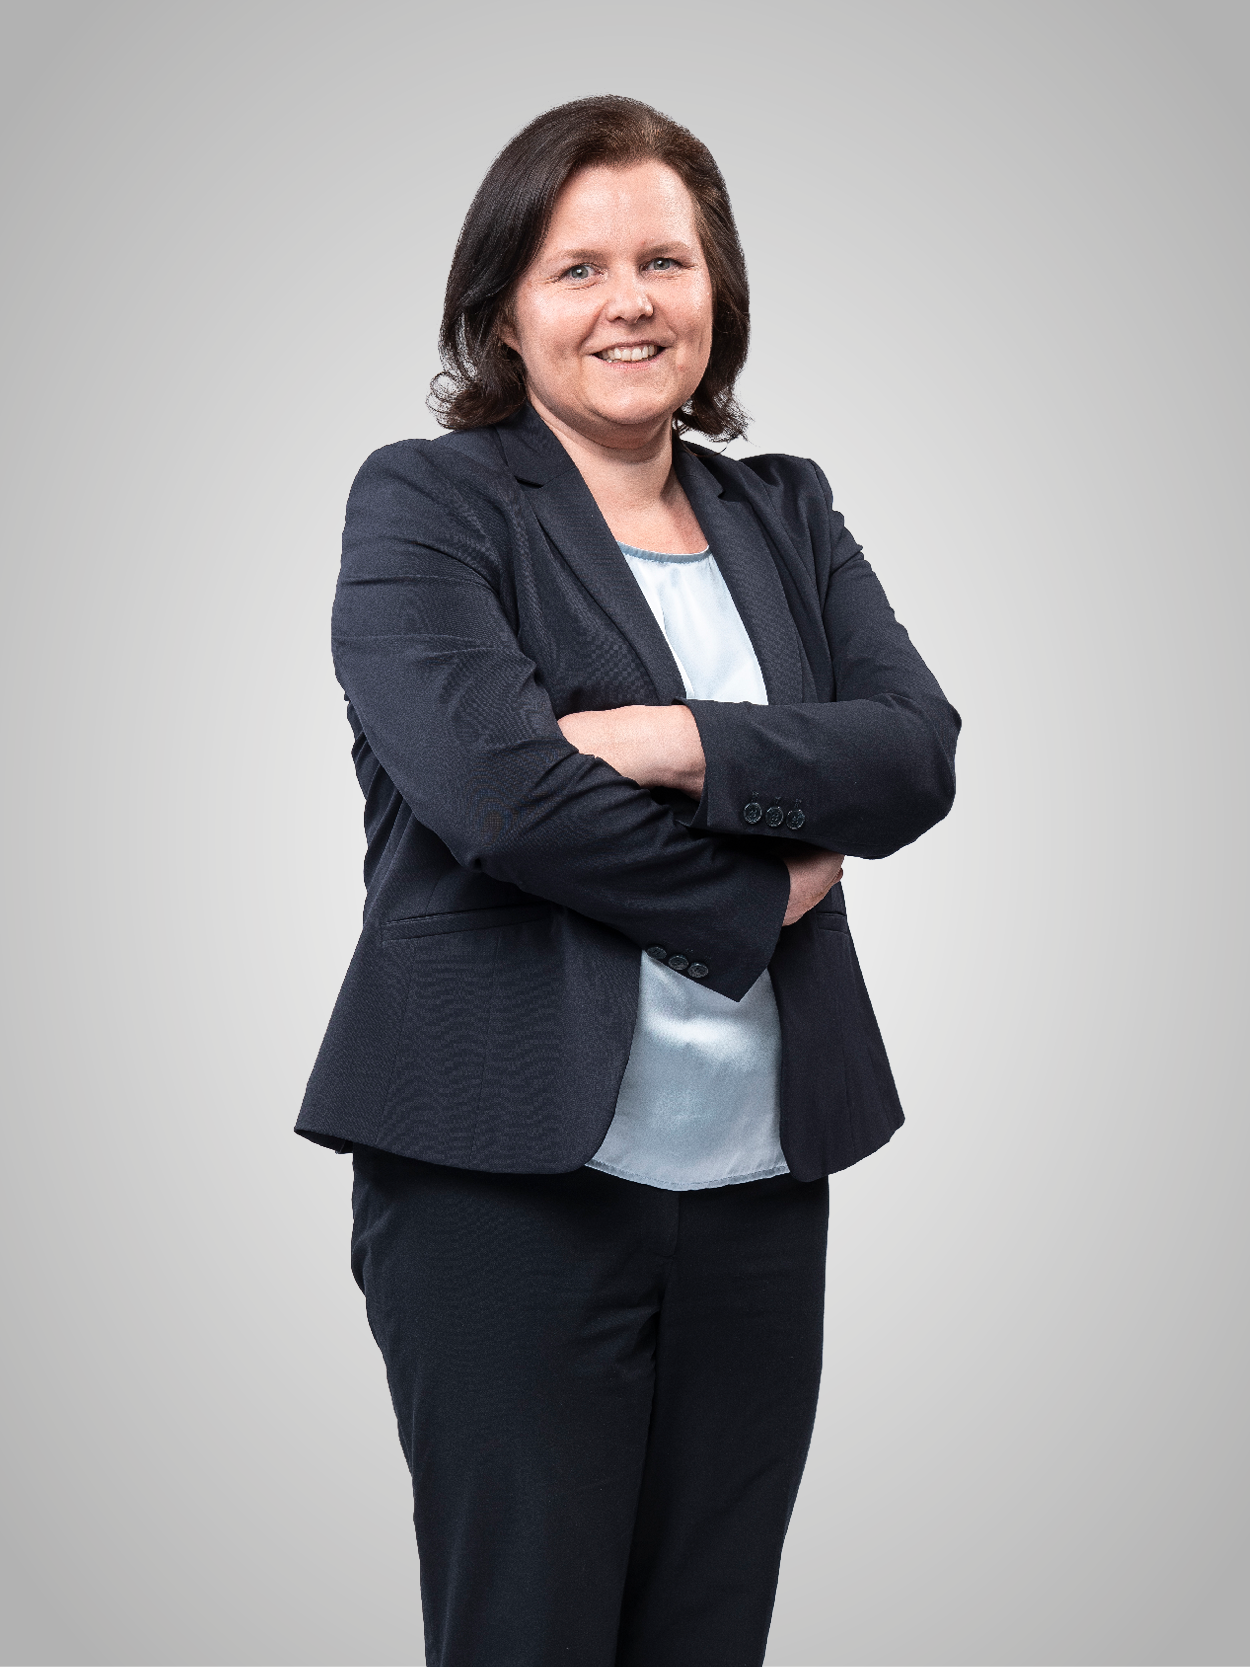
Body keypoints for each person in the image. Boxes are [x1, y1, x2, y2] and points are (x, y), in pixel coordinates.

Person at [297, 94, 959, 1667]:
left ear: (715, 289)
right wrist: (760, 894)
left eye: (664, 260)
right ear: (502, 308)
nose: (629, 302)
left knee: (706, 1635)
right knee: (527, 1634)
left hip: (755, 1188)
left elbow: (910, 754)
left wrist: (672, 739)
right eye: (576, 267)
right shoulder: (428, 503)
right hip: (503, 1186)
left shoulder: (782, 509)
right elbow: (500, 796)